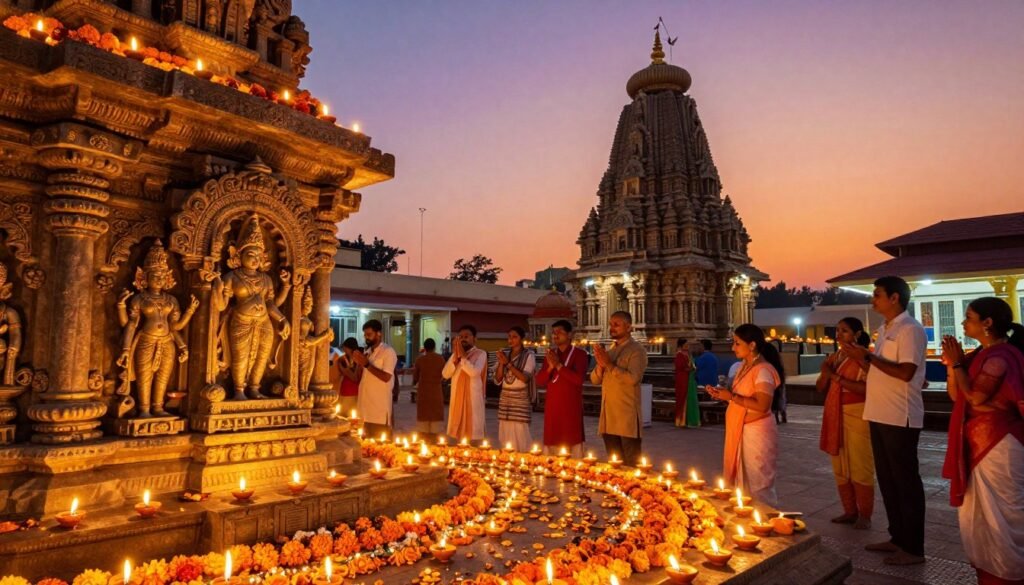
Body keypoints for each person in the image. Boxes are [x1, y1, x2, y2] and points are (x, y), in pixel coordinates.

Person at [840, 276, 927, 565]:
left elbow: (905, 372)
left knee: (905, 481)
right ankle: (897, 537)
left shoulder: (910, 329)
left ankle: (913, 548)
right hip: (878, 412)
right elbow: (879, 369)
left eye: (877, 294)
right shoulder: (885, 329)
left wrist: (867, 357)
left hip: (899, 414)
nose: (872, 299)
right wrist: (860, 358)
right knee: (888, 480)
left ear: (894, 298)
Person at [941, 297, 1024, 585]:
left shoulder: (1002, 356)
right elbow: (958, 395)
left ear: (987, 323)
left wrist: (958, 364)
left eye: (969, 317)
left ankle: (1010, 576)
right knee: (979, 518)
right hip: (978, 442)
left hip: (999, 444)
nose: (963, 322)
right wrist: (953, 365)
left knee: (1004, 518)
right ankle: (989, 575)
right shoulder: (980, 355)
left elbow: (975, 397)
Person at [707, 324, 784, 508]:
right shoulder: (744, 367)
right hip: (742, 428)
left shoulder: (763, 370)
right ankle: (747, 518)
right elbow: (741, 399)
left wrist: (731, 397)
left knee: (758, 483)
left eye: (737, 343)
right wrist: (723, 395)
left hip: (757, 433)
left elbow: (763, 405)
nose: (733, 347)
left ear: (752, 345)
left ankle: (766, 519)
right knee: (743, 483)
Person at [815, 318, 874, 529]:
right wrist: (826, 371)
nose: (838, 334)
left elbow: (869, 388)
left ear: (857, 334)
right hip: (835, 413)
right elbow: (820, 386)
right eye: (837, 330)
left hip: (857, 413)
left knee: (860, 465)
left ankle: (865, 515)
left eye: (845, 331)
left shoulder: (864, 356)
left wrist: (836, 378)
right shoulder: (836, 356)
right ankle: (850, 511)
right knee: (840, 465)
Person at [590, 311, 648, 465]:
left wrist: (609, 365)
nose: (612, 328)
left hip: (626, 417)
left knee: (631, 464)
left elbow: (633, 379)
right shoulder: (609, 351)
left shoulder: (637, 350)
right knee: (614, 463)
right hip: (608, 417)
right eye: (610, 324)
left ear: (628, 327)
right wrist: (601, 365)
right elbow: (594, 380)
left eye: (616, 325)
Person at [536, 319, 589, 457]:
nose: (555, 335)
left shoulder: (580, 354)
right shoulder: (551, 355)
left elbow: (578, 380)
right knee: (552, 438)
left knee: (571, 438)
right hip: (553, 407)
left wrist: (559, 366)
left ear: (570, 335)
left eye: (559, 332)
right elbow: (540, 381)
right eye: (553, 332)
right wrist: (550, 368)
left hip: (570, 406)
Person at [351, 319, 397, 439]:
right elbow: (358, 378)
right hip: (364, 408)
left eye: (369, 334)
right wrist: (358, 363)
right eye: (365, 335)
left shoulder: (388, 351)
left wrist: (366, 364)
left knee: (380, 445)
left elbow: (386, 377)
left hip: (379, 410)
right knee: (364, 445)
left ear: (379, 333)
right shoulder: (367, 352)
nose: (366, 338)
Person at [494, 326, 536, 452]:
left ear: (522, 339)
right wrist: (501, 363)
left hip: (520, 398)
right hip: (505, 397)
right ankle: (507, 456)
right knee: (505, 429)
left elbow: (525, 378)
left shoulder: (529, 355)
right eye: (509, 337)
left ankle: (522, 457)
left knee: (520, 430)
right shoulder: (505, 354)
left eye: (514, 337)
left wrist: (508, 364)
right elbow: (498, 379)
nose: (510, 340)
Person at [443, 324, 487, 443]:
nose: (463, 339)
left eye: (466, 336)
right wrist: (455, 359)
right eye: (461, 337)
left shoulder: (481, 354)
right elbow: (445, 374)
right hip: (457, 399)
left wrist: (462, 357)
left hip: (473, 400)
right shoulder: (455, 355)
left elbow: (474, 372)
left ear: (475, 339)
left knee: (473, 435)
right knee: (456, 437)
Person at [412, 338, 446, 440]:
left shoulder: (420, 360)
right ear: (434, 347)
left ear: (425, 348)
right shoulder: (440, 359)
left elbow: (415, 377)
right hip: (436, 392)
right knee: (436, 422)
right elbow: (444, 375)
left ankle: (424, 444)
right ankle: (435, 443)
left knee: (423, 421)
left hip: (423, 393)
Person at [674, 338, 701, 427]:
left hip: (690, 379)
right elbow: (681, 368)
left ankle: (690, 420)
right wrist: (690, 369)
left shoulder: (688, 355)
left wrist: (693, 369)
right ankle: (682, 420)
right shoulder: (679, 355)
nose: (687, 346)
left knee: (690, 399)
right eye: (686, 345)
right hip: (683, 379)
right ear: (681, 345)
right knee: (682, 398)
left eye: (688, 344)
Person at [334, 337, 361, 415]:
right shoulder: (343, 360)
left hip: (357, 391)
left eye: (345, 348)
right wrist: (358, 365)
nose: (344, 350)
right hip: (348, 390)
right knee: (347, 414)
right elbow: (354, 378)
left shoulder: (358, 359)